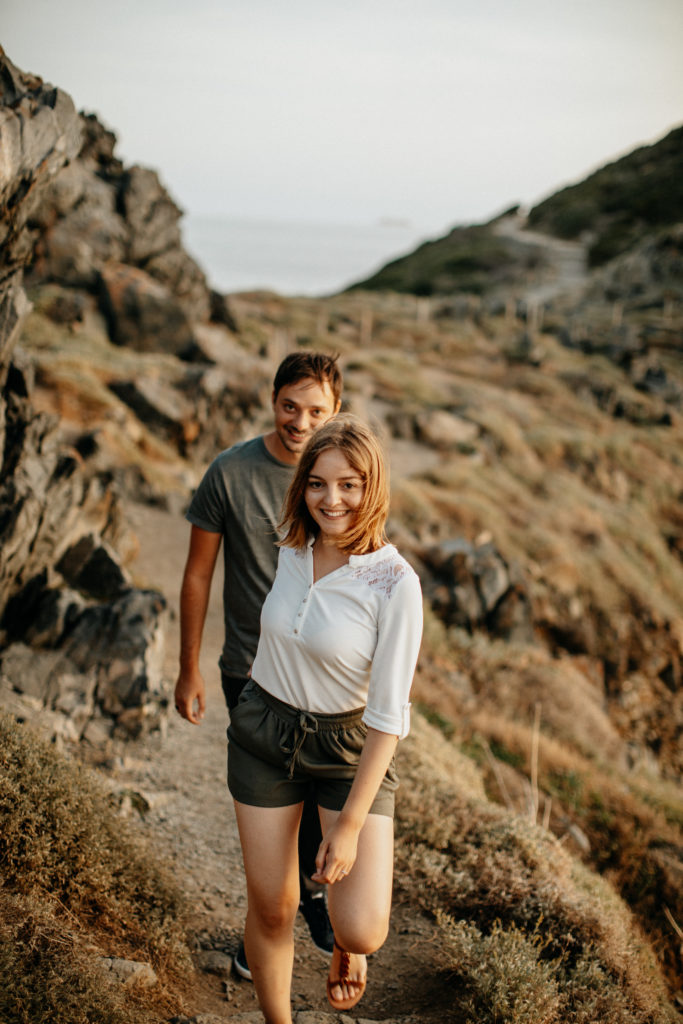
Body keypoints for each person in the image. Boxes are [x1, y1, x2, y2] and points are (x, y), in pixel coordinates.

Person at [227, 415, 423, 1022]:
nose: (331, 500)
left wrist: (346, 827)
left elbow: (389, 718)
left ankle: (344, 943)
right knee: (273, 908)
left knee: (362, 928)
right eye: (317, 484)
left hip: (346, 749)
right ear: (301, 487)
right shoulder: (292, 544)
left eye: (349, 484)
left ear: (374, 486)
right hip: (265, 731)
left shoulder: (395, 584)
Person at [174, 351, 343, 978]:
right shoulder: (230, 472)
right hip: (249, 672)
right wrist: (188, 667)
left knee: (313, 802)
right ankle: (269, 925)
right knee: (275, 809)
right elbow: (197, 576)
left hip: (327, 676)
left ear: (335, 412)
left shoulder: (341, 479)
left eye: (316, 411)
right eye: (290, 407)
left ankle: (311, 897)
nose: (301, 422)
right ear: (273, 401)